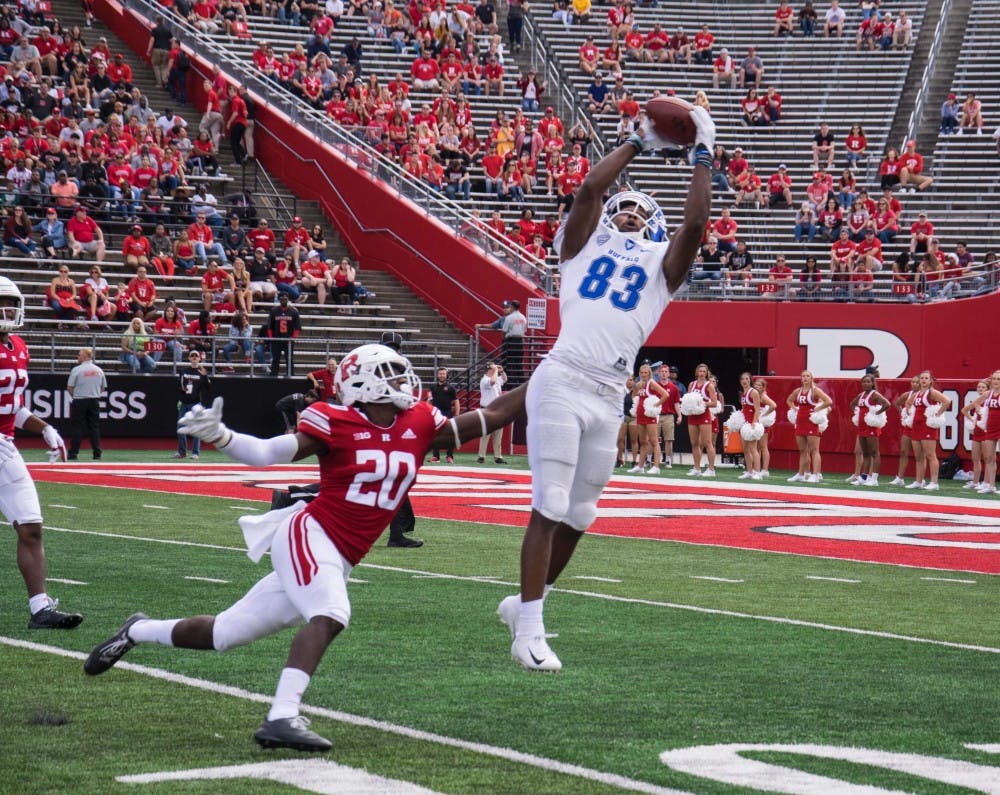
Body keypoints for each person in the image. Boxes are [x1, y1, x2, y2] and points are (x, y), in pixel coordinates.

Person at [84, 343, 528, 751]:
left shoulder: (419, 422)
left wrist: (547, 380)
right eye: (390, 374)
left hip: (341, 553)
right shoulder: (333, 420)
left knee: (225, 634)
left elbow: (493, 415)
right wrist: (223, 437)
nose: (402, 382)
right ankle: (281, 716)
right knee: (331, 612)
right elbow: (266, 453)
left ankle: (136, 630)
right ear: (363, 382)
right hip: (311, 533)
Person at [495, 103, 713, 672]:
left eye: (643, 216)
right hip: (565, 378)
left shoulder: (664, 270)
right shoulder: (579, 247)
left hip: (610, 390)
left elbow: (693, 226)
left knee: (581, 514)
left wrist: (703, 157)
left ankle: (524, 607)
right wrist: (640, 142)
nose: (631, 219)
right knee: (548, 505)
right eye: (625, 212)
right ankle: (529, 632)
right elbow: (591, 188)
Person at [0, 277, 82, 629]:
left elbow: (13, 408)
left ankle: (40, 609)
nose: (5, 309)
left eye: (8, 302)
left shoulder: (19, 346)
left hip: (4, 446)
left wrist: (45, 428)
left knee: (31, 526)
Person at [903, 371, 952, 490]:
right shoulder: (917, 393)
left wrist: (937, 414)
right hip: (916, 426)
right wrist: (909, 412)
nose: (923, 380)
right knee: (918, 456)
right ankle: (919, 481)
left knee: (930, 455)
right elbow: (908, 403)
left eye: (926, 378)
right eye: (922, 378)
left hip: (928, 427)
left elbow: (947, 401)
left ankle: (934, 482)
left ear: (930, 381)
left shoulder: (932, 392)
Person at [786, 370, 832, 482]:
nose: (805, 378)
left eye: (807, 376)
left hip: (811, 422)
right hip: (800, 422)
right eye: (803, 376)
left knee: (814, 450)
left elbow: (828, 401)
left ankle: (815, 474)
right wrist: (794, 408)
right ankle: (801, 474)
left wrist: (818, 408)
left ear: (811, 378)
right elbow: (789, 400)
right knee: (802, 450)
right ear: (801, 378)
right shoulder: (798, 391)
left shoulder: (815, 391)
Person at [847, 373, 890, 486]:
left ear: (872, 383)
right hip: (861, 427)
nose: (866, 383)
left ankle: (874, 479)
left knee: (874, 453)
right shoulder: (861, 395)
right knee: (865, 453)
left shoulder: (874, 394)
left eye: (868, 382)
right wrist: (857, 412)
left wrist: (876, 413)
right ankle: (864, 477)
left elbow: (887, 404)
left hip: (871, 427)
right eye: (864, 382)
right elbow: (852, 404)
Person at [66, 347, 106, 461]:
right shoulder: (99, 370)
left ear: (84, 357)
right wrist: (94, 393)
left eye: (79, 355)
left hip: (79, 400)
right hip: (94, 400)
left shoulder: (77, 370)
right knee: (94, 427)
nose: (78, 357)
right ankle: (97, 453)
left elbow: (69, 387)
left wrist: (77, 396)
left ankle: (73, 453)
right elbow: (103, 387)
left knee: (77, 427)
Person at [628, 362, 669, 474]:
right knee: (643, 441)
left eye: (646, 372)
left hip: (650, 415)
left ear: (649, 373)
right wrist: (635, 403)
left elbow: (665, 394)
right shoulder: (638, 384)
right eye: (641, 372)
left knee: (654, 441)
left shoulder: (652, 383)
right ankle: (640, 466)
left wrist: (656, 405)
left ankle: (656, 467)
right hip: (641, 415)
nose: (643, 374)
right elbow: (634, 395)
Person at [475, 299, 527, 385]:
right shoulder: (523, 317)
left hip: (510, 341)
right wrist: (481, 325)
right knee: (518, 363)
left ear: (512, 307)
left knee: (507, 362)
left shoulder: (509, 318)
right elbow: (524, 330)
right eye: (504, 308)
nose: (506, 309)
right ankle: (520, 383)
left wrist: (504, 341)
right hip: (520, 342)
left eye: (508, 307)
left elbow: (504, 331)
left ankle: (508, 384)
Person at [174, 349, 211, 460]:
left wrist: (205, 376)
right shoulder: (183, 371)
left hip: (195, 403)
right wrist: (181, 397)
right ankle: (182, 452)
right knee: (180, 428)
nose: (194, 357)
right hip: (185, 403)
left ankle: (195, 453)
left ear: (199, 358)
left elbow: (208, 389)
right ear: (189, 358)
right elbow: (179, 387)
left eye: (196, 356)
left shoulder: (202, 372)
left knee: (196, 429)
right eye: (192, 356)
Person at [968, 370, 1000, 494]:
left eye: (999, 379)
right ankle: (991, 486)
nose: (996, 381)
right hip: (990, 428)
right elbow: (976, 403)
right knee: (989, 458)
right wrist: (981, 413)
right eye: (994, 379)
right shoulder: (988, 394)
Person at [889, 375, 921, 485]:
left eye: (917, 382)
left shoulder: (925, 395)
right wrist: (903, 414)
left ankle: (920, 479)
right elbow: (897, 403)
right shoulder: (908, 394)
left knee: (920, 455)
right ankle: (900, 478)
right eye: (913, 382)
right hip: (908, 427)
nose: (914, 384)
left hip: (920, 427)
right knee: (903, 451)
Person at [477, 361, 507, 463]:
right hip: (487, 409)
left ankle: (498, 456)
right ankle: (481, 456)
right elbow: (493, 381)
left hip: (497, 409)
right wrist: (495, 370)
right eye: (493, 368)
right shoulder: (484, 380)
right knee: (486, 433)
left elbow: (504, 379)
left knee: (498, 434)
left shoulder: (495, 377)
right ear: (489, 369)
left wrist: (501, 371)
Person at [428, 367, 460, 462]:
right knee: (435, 435)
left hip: (448, 413)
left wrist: (457, 414)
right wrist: (428, 413)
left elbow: (456, 401)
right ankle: (436, 456)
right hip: (436, 414)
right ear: (437, 375)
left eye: (443, 374)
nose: (442, 375)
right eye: (440, 373)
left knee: (450, 435)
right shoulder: (432, 388)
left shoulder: (451, 388)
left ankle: (449, 456)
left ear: (446, 375)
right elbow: (429, 401)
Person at [267, 293, 302, 377]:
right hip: (277, 339)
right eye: (282, 299)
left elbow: (298, 327)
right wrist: (272, 338)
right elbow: (269, 327)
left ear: (288, 300)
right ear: (279, 300)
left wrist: (293, 338)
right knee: (275, 359)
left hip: (288, 340)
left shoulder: (294, 311)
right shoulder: (274, 311)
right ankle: (273, 375)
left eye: (285, 299)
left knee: (289, 359)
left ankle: (291, 374)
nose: (283, 301)